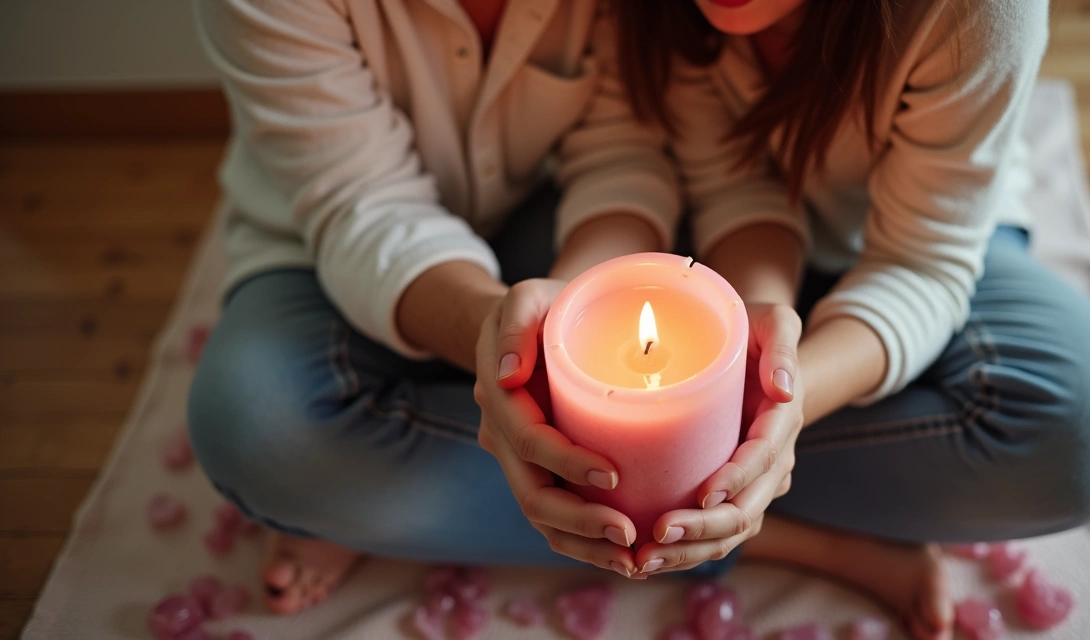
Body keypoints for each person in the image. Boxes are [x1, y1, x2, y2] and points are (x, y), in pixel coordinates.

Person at [490, 0, 1090, 637]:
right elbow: (735, 186)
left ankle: (675, 500)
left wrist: (784, 400)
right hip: (732, 243)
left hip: (918, 238)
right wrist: (756, 329)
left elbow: (924, 261)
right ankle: (764, 528)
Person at [186, 0, 807, 619]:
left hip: (538, 215)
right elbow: (359, 203)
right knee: (258, 428)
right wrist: (502, 343)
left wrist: (561, 318)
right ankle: (760, 536)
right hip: (323, 243)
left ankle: (359, 506)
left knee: (696, 342)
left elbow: (620, 157)